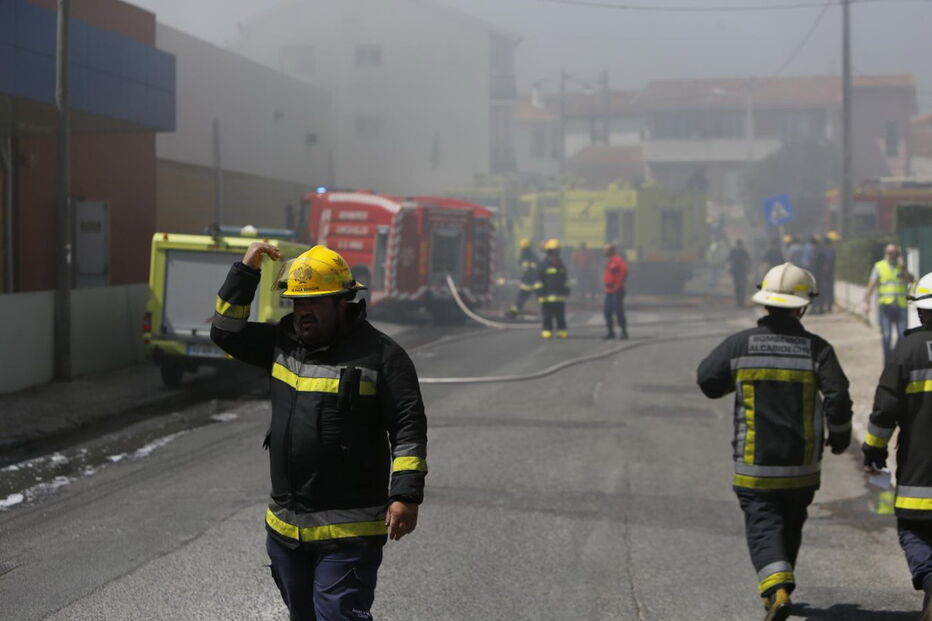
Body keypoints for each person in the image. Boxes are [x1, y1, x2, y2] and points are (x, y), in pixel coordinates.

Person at [211, 242, 428, 621]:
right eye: (297, 303)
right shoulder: (282, 343)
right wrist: (245, 272)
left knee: (337, 615)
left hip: (349, 531)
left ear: (342, 301)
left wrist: (405, 494)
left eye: (314, 303)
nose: (303, 313)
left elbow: (408, 425)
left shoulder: (383, 357)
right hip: (286, 530)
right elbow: (225, 331)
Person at [697, 263, 853, 621]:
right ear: (803, 306)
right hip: (802, 466)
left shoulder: (740, 345)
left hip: (756, 465)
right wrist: (840, 436)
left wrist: (733, 381)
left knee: (763, 524)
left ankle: (777, 589)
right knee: (791, 522)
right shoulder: (818, 349)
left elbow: (708, 380)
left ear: (765, 302)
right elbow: (839, 396)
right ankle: (780, 587)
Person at [862, 270, 932, 621]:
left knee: (913, 530)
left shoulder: (907, 350)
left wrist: (874, 449)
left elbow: (885, 408)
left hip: (920, 472)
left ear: (920, 311)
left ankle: (931, 581)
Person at [864, 243, 915, 364]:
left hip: (901, 306)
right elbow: (871, 285)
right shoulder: (879, 266)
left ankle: (899, 360)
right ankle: (887, 363)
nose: (892, 255)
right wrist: (866, 302)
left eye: (894, 253)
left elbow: (912, 280)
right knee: (886, 336)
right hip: (885, 307)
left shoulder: (901, 267)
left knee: (903, 336)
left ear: (898, 254)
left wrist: (903, 267)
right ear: (885, 253)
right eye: (890, 252)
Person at [538, 238, 569, 339]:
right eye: (553, 251)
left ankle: (561, 330)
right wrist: (540, 294)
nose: (555, 254)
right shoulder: (543, 264)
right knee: (547, 315)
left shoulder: (561, 264)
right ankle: (547, 330)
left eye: (557, 251)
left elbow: (565, 279)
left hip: (559, 296)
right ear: (549, 252)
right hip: (547, 297)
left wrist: (566, 291)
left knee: (560, 315)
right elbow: (539, 281)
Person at [507, 239, 541, 318]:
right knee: (521, 298)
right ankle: (514, 311)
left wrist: (531, 279)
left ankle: (547, 312)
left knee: (523, 297)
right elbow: (524, 269)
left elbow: (535, 270)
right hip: (529, 282)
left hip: (532, 282)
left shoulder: (530, 257)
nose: (523, 251)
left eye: (524, 249)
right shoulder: (526, 257)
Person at [602, 243, 628, 340]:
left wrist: (619, 284)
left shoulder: (617, 260)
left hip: (617, 290)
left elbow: (624, 271)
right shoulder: (609, 261)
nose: (604, 252)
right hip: (609, 290)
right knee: (607, 311)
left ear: (611, 251)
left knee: (618, 311)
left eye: (605, 250)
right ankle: (610, 332)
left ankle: (624, 332)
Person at [727, 239, 752, 307]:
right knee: (737, 286)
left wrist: (749, 269)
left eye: (740, 245)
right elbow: (728, 260)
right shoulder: (734, 252)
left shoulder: (743, 252)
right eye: (739, 245)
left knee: (742, 287)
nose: (739, 246)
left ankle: (741, 301)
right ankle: (738, 302)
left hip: (742, 271)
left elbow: (748, 261)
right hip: (736, 272)